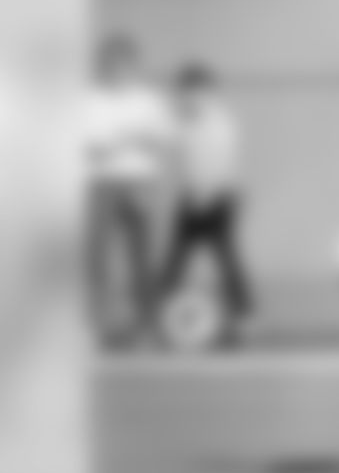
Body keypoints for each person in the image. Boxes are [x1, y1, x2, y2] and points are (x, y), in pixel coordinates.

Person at [84, 34, 174, 348]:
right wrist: (131, 137)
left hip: (140, 182)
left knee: (143, 258)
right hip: (99, 183)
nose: (117, 70)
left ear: (134, 66)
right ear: (102, 65)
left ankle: (146, 326)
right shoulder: (88, 100)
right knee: (96, 259)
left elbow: (162, 139)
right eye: (111, 63)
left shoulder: (149, 101)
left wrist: (119, 140)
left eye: (123, 64)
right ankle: (95, 326)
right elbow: (90, 146)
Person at [159, 61, 254, 348]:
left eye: (194, 92)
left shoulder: (220, 123)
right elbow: (175, 152)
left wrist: (207, 193)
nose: (188, 98)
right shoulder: (183, 123)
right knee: (176, 260)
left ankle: (241, 320)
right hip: (191, 198)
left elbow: (223, 162)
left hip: (219, 198)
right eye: (184, 93)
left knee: (226, 258)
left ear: (208, 93)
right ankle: (161, 317)